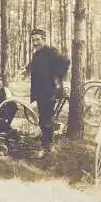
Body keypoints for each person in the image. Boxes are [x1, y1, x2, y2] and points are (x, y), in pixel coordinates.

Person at [28, 28, 70, 158]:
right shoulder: (36, 54)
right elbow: (35, 66)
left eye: (38, 40)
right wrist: (26, 69)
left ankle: (47, 146)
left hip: (50, 90)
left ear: (44, 40)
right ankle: (46, 144)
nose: (35, 43)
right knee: (43, 117)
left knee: (47, 118)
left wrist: (57, 77)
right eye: (33, 40)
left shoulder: (51, 51)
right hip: (40, 91)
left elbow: (65, 61)